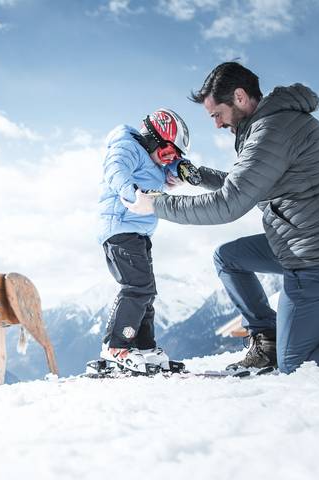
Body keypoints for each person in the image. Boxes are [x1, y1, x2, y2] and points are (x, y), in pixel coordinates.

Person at [122, 62, 319, 374]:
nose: (215, 124)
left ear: (239, 97)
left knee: (297, 367)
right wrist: (197, 176)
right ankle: (268, 338)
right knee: (229, 258)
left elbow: (230, 203)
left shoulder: (271, 131)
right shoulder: (274, 123)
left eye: (217, 114)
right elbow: (249, 182)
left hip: (310, 258)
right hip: (297, 240)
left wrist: (157, 204)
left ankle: (290, 346)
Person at [98, 108, 199, 373]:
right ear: (153, 138)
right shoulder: (127, 146)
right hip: (120, 228)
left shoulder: (152, 159)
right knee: (137, 288)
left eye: (173, 156)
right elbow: (115, 170)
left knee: (147, 292)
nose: (167, 160)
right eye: (167, 153)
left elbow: (164, 176)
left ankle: (143, 346)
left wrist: (180, 169)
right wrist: (132, 193)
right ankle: (115, 346)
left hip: (138, 232)